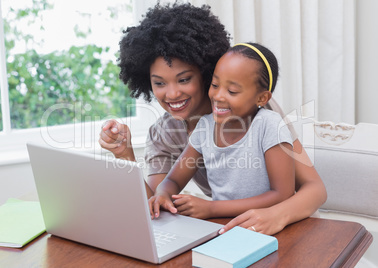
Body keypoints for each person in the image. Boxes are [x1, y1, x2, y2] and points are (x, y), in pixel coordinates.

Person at [98, 3, 327, 235]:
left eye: (184, 79)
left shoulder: (256, 111)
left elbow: (313, 188)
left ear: (205, 72)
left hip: (287, 226)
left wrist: (277, 214)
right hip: (229, 228)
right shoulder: (167, 132)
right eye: (159, 83)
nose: (172, 94)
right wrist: (125, 156)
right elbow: (162, 206)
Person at [148, 43, 295, 222]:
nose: (218, 96)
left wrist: (212, 208)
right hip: (225, 226)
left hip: (270, 225)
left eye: (232, 91)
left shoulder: (269, 125)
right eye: (215, 85)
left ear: (261, 98)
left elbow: (282, 194)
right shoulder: (204, 127)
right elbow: (174, 180)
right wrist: (164, 193)